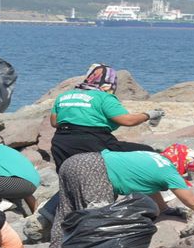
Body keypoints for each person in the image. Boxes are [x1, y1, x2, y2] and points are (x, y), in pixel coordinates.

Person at [37, 63, 166, 222]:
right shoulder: (104, 97)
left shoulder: (65, 96)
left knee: (73, 177)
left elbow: (54, 122)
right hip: (93, 140)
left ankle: (50, 212)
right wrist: (149, 114)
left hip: (61, 142)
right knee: (145, 155)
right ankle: (158, 207)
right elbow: (127, 120)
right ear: (109, 83)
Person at [47, 148, 194, 248]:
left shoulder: (153, 157)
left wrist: (164, 209)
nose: (188, 170)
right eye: (189, 166)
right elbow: (193, 201)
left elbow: (150, 186)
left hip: (75, 161)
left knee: (67, 206)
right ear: (182, 160)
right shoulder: (168, 170)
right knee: (99, 214)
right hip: (96, 170)